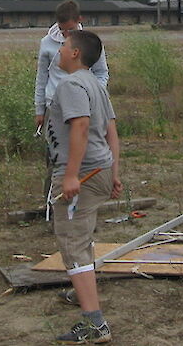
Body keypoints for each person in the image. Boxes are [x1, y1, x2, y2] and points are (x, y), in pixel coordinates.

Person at [48, 29, 121, 344]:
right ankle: (83, 292)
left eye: (64, 46)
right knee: (82, 239)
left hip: (84, 175)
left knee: (73, 244)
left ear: (75, 53)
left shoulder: (72, 85)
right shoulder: (95, 84)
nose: (60, 50)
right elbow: (111, 132)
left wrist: (71, 176)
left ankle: (95, 324)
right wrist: (114, 174)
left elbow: (80, 126)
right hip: (99, 170)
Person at [35, 0, 109, 213]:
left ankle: (84, 204)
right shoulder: (47, 43)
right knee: (56, 158)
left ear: (79, 21)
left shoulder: (90, 43)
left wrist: (92, 94)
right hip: (55, 108)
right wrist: (39, 109)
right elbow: (41, 77)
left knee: (84, 154)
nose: (66, 34)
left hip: (82, 108)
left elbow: (102, 73)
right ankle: (52, 206)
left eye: (70, 29)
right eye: (62, 30)